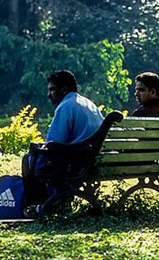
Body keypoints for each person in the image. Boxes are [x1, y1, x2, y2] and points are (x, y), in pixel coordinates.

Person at [22, 69, 104, 214]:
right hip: (93, 158)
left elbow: (54, 143)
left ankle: (35, 206)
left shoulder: (66, 106)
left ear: (64, 89)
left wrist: (38, 148)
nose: (49, 95)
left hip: (76, 163)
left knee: (28, 159)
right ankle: (52, 202)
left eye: (52, 90)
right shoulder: (89, 104)